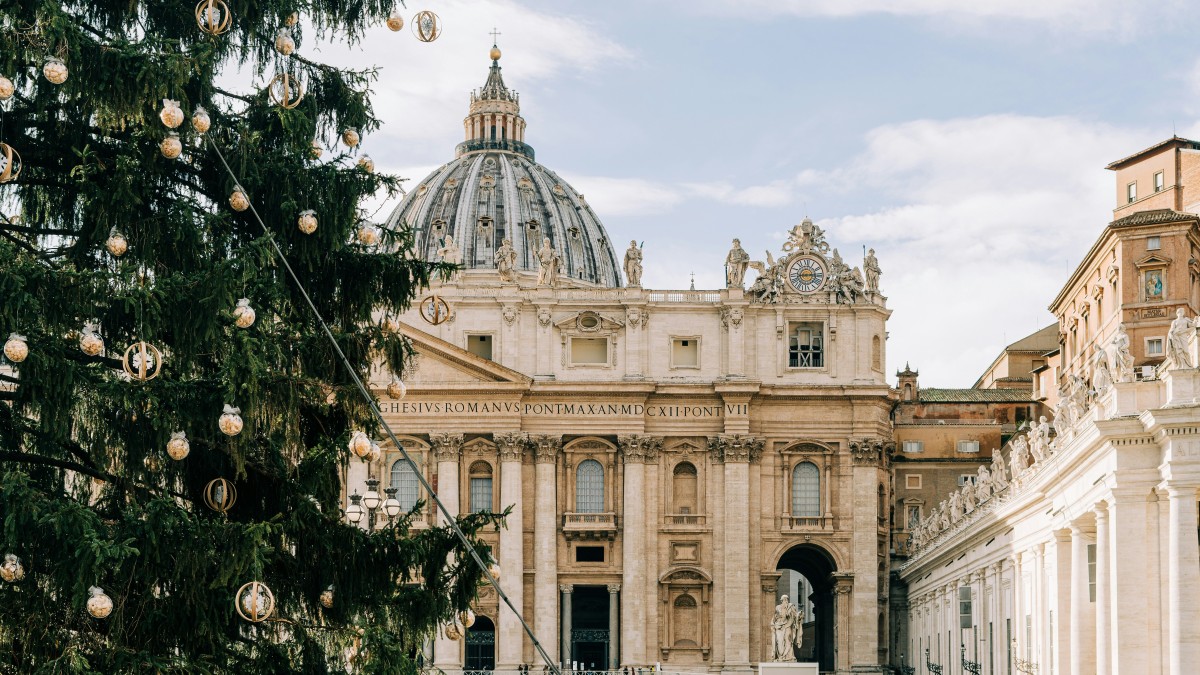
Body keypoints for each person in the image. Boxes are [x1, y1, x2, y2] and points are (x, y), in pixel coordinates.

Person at [770, 595, 802, 661]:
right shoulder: (777, 607)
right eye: (784, 599)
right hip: (778, 626)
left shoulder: (790, 606)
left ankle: (788, 656)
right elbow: (774, 617)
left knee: (788, 640)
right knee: (779, 641)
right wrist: (773, 625)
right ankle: (781, 656)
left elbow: (795, 615)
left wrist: (799, 616)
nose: (785, 601)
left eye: (786, 599)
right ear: (781, 600)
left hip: (788, 625)